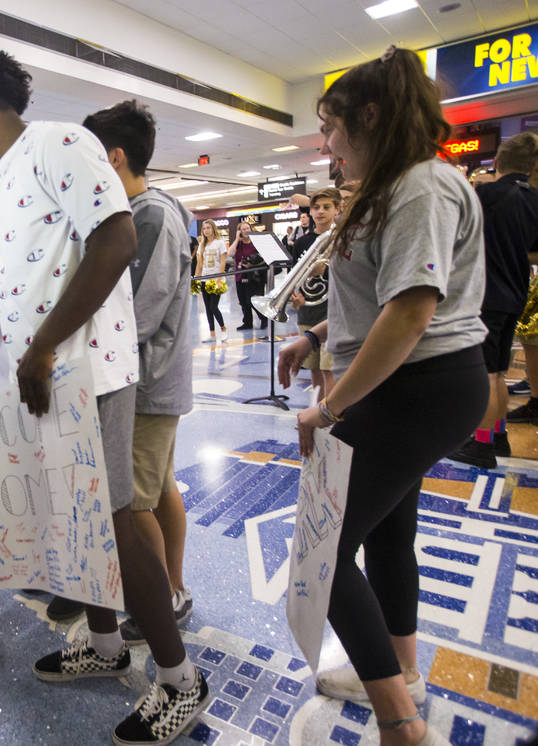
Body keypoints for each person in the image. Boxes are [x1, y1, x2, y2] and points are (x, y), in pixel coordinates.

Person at [0, 43, 208, 746]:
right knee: (73, 522)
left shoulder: (62, 142)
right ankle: (104, 642)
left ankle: (183, 681)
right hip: (47, 380)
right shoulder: (4, 196)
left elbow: (116, 240)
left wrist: (39, 347)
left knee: (117, 525)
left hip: (88, 371)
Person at [277, 46, 488, 746]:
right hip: (408, 384)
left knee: (323, 553)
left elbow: (410, 311)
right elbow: (375, 296)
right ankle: (403, 672)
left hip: (421, 387)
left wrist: (330, 409)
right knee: (390, 533)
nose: (326, 146)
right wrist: (315, 335)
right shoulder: (393, 187)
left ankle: (401, 723)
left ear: (370, 117)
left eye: (332, 128)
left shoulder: (422, 186)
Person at [81, 99, 196, 646]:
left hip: (145, 381)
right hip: (157, 379)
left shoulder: (147, 215)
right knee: (159, 488)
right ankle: (173, 588)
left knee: (134, 502)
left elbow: (138, 312)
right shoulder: (157, 208)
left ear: (115, 157)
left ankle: (159, 599)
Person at [450, 131, 538, 466]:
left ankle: (482, 445)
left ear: (498, 161)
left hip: (485, 293)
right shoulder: (534, 199)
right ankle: (498, 435)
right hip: (515, 293)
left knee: (486, 372)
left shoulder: (487, 194)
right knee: (499, 371)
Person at [288, 188, 342, 402]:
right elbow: (296, 275)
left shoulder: (341, 238)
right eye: (316, 208)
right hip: (308, 311)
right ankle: (317, 411)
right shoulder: (302, 242)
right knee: (314, 369)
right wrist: (297, 294)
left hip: (332, 311)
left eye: (327, 207)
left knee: (329, 369)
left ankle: (329, 416)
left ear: (337, 209)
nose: (320, 212)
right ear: (310, 212)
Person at [229, 221, 267, 331]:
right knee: (242, 301)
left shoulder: (256, 242)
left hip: (254, 277)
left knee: (252, 300)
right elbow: (230, 253)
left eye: (247, 228)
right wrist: (236, 239)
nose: (246, 231)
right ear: (239, 231)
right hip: (240, 276)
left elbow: (265, 258)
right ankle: (247, 322)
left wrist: (253, 264)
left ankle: (263, 318)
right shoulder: (238, 243)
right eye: (243, 229)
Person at [195, 219, 228, 343]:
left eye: (208, 228)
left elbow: (223, 261)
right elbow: (199, 264)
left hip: (216, 279)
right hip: (204, 279)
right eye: (204, 228)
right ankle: (212, 334)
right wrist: (196, 278)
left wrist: (219, 278)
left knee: (214, 307)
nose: (206, 230)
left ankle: (223, 329)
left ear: (213, 228)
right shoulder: (202, 245)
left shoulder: (220, 243)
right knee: (208, 308)